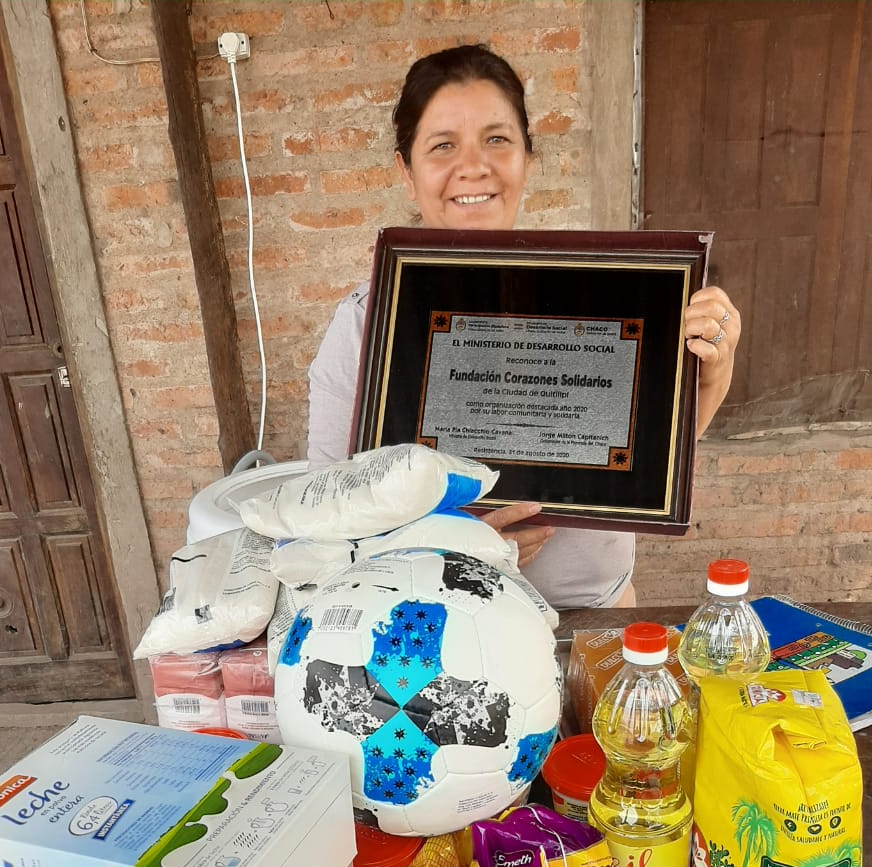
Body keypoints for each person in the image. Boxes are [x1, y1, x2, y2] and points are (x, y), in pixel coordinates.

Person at [307, 44, 741, 609]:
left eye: (497, 139)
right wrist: (453, 543)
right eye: (443, 145)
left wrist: (712, 373)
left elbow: (644, 468)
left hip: (593, 621)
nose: (474, 166)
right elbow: (325, 518)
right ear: (406, 172)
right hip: (434, 629)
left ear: (527, 159)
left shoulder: (613, 295)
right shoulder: (366, 325)